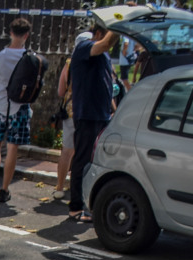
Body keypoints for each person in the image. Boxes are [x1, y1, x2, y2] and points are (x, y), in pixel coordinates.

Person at [0, 17, 34, 205]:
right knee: (12, 148)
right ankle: (5, 189)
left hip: (0, 106)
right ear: (26, 35)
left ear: (10, 33)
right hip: (20, 107)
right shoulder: (30, 58)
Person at [67, 23, 118, 224]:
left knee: (97, 162)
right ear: (97, 33)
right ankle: (75, 207)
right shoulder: (84, 48)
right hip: (87, 115)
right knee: (82, 160)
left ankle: (89, 204)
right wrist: (119, 23)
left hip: (101, 115)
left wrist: (114, 111)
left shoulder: (103, 56)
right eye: (110, 37)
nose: (112, 43)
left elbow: (106, 84)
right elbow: (105, 44)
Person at [52, 32, 89, 201]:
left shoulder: (69, 63)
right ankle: (80, 189)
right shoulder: (95, 62)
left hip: (70, 110)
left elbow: (60, 91)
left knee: (67, 150)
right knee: (85, 152)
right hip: (89, 111)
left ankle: (59, 187)